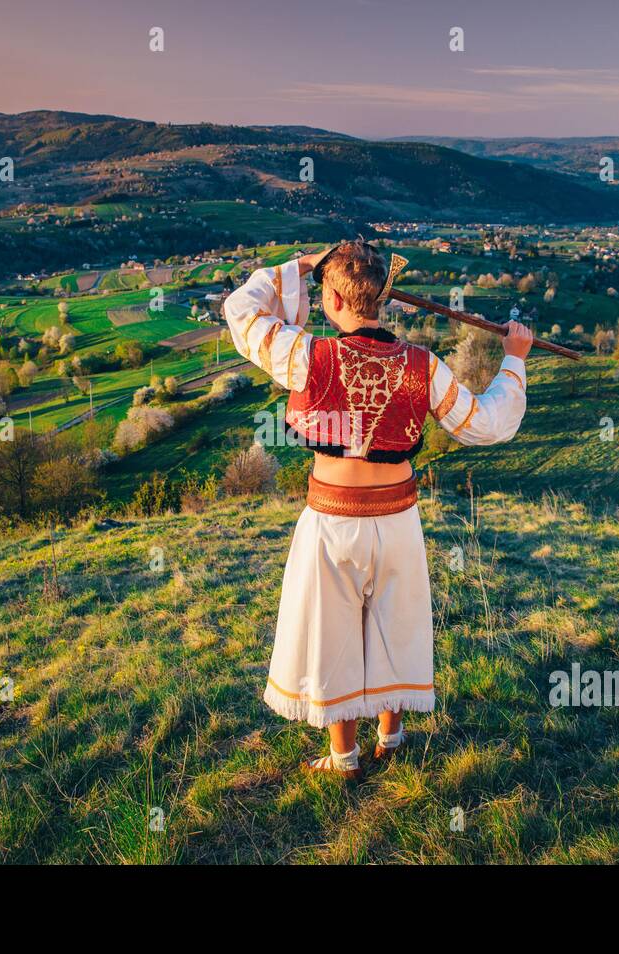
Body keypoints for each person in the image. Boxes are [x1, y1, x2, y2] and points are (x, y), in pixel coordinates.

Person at [223, 241, 532, 780]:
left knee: (332, 632)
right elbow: (488, 423)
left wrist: (297, 265)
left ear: (335, 301)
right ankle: (391, 734)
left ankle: (345, 758)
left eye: (322, 291)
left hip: (332, 520)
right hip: (397, 521)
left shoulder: (308, 355)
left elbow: (241, 311)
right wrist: (515, 360)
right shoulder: (423, 367)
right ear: (382, 300)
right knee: (396, 626)